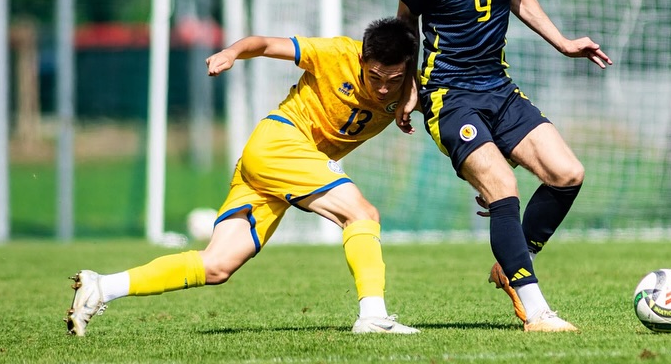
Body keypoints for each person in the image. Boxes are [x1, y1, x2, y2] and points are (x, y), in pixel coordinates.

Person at [65, 17, 420, 336]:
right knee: (362, 215)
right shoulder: (335, 53)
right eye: (375, 77)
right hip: (279, 143)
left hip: (277, 168)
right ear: (362, 59)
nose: (384, 89)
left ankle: (103, 286)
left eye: (394, 80)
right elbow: (263, 43)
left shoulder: (411, 87)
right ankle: (373, 316)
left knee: (217, 265)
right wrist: (232, 53)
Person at [396, 0, 612, 333]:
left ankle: (512, 259)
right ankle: (537, 312)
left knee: (567, 173)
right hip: (449, 97)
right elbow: (402, 30)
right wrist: (407, 86)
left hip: (500, 87)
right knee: (503, 188)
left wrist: (563, 41)